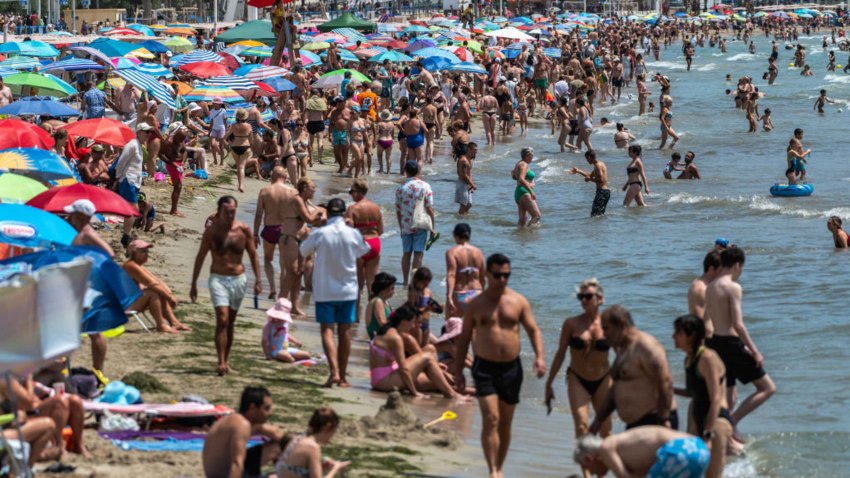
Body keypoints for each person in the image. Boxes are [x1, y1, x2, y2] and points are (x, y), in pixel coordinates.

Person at [453, 253, 546, 478]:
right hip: (484, 367)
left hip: (512, 369)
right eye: (497, 275)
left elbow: (533, 330)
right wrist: (458, 372)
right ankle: (492, 470)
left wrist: (540, 357)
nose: (502, 280)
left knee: (505, 423)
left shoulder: (518, 301)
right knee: (491, 418)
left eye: (506, 275)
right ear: (487, 275)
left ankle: (499, 467)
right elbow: (464, 339)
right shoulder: (477, 304)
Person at [299, 198, 371, 388]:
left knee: (327, 331)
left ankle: (334, 372)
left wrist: (320, 226)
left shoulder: (320, 233)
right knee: (345, 332)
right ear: (345, 214)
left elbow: (303, 250)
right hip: (348, 289)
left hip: (324, 289)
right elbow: (365, 249)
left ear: (328, 213)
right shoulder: (352, 233)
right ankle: (344, 377)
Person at [704, 247, 776, 432]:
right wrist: (755, 351)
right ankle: (732, 421)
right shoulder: (733, 287)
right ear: (737, 265)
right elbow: (737, 324)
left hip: (715, 343)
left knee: (728, 395)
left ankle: (723, 434)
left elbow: (707, 319)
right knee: (767, 388)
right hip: (731, 344)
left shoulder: (710, 286)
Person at [190, 196, 262, 376]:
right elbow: (200, 257)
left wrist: (258, 281)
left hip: (239, 279)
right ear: (219, 211)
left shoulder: (243, 230)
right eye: (227, 212)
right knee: (222, 319)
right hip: (218, 279)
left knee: (230, 322)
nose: (230, 215)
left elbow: (253, 256)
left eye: (233, 211)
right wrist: (194, 284)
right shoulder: (212, 232)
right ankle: (220, 361)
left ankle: (226, 361)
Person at [546, 279, 613, 445]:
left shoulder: (610, 324)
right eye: (580, 297)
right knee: (582, 426)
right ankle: (587, 472)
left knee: (606, 431)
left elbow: (623, 353)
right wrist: (549, 383)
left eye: (588, 296)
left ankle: (602, 467)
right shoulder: (571, 324)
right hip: (578, 378)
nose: (583, 300)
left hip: (604, 379)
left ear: (600, 298)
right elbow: (560, 354)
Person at [589, 305, 676, 433]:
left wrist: (664, 419)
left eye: (606, 328)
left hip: (655, 420)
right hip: (636, 423)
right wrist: (598, 420)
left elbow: (665, 382)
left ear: (621, 325)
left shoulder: (646, 346)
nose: (603, 334)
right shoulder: (622, 348)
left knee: (611, 449)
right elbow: (615, 389)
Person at [672, 315, 736, 478]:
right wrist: (669, 389)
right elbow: (692, 393)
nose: (673, 336)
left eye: (678, 332)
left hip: (717, 422)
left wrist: (707, 434)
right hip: (702, 419)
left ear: (691, 335)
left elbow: (715, 398)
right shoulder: (689, 359)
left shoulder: (707, 358)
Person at [370, 303, 462, 398]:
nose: (413, 326)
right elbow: (404, 369)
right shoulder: (395, 338)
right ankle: (451, 394)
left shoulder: (387, 330)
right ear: (404, 321)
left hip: (381, 377)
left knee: (435, 381)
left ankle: (465, 392)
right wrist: (414, 392)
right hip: (385, 381)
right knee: (428, 357)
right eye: (412, 322)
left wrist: (438, 368)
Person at [65, 199, 112, 375]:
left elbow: (109, 253)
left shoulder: (87, 233)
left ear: (81, 215)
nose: (70, 216)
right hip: (80, 285)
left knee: (95, 331)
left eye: (73, 213)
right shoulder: (80, 233)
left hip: (88, 286)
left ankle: (98, 370)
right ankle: (70, 368)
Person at [202, 386, 282, 478]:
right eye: (266, 408)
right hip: (227, 474)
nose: (270, 413)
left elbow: (279, 436)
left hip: (221, 470)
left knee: (278, 446)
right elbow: (237, 463)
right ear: (252, 407)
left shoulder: (236, 420)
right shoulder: (242, 425)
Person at [573, 426, 709, 478]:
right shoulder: (625, 450)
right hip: (699, 448)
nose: (592, 473)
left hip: (678, 451)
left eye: (587, 468)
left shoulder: (606, 448)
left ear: (589, 458)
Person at [122, 240, 191, 333]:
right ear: (133, 252)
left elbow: (157, 281)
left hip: (129, 303)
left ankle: (174, 322)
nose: (147, 254)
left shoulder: (138, 266)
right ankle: (161, 325)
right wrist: (169, 297)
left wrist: (169, 294)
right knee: (153, 292)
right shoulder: (130, 266)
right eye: (143, 251)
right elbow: (151, 284)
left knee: (159, 290)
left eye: (147, 251)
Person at [253, 167, 297, 299]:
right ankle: (282, 293)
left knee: (268, 260)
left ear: (272, 176)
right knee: (284, 263)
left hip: (270, 229)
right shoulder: (292, 191)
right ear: (285, 176)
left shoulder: (265, 191)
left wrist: (255, 234)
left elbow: (259, 214)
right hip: (287, 229)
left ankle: (272, 287)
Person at [345, 178, 383, 320]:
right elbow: (381, 230)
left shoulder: (352, 209)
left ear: (358, 192)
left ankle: (355, 317)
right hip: (374, 243)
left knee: (357, 284)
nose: (350, 194)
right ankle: (372, 317)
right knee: (372, 285)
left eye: (351, 192)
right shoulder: (376, 208)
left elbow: (347, 231)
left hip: (359, 244)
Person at [276, 408, 350, 478]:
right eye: (333, 431)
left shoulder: (298, 439)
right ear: (326, 428)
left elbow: (294, 470)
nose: (332, 436)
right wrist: (335, 468)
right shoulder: (312, 447)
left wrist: (320, 467)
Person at [395, 160, 435, 287]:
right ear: (418, 170)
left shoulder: (401, 188)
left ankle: (405, 281)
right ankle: (414, 282)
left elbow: (398, 210)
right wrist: (433, 226)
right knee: (418, 253)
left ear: (405, 171)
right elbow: (429, 208)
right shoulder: (425, 186)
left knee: (406, 253)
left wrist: (401, 227)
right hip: (420, 223)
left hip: (406, 224)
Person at [115, 123, 153, 248]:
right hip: (128, 180)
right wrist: (119, 177)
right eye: (146, 132)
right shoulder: (132, 145)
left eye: (149, 132)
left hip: (134, 180)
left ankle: (126, 234)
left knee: (132, 210)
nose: (148, 134)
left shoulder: (139, 146)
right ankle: (126, 236)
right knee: (133, 209)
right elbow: (121, 162)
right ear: (139, 132)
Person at [445, 223, 486, 318]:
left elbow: (451, 275)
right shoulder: (478, 252)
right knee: (475, 328)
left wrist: (449, 296)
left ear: (454, 235)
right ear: (469, 236)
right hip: (476, 293)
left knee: (452, 326)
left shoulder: (452, 252)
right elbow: (483, 276)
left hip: (460, 293)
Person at [261, 298, 310, 363]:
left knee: (307, 355)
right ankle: (291, 359)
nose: (281, 320)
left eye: (282, 318)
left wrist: (296, 341)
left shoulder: (285, 324)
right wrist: (267, 355)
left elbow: (286, 335)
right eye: (278, 317)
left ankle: (292, 358)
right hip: (275, 350)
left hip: (286, 349)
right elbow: (264, 341)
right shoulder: (269, 326)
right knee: (288, 357)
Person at [570, 150, 610, 217]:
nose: (587, 161)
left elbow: (600, 180)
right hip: (606, 192)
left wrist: (590, 179)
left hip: (602, 193)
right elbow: (589, 175)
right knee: (599, 215)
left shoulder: (597, 166)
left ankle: (595, 227)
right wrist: (578, 171)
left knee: (594, 215)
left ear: (589, 157)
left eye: (587, 159)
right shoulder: (600, 164)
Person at [687, 250, 722, 320]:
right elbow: (700, 322)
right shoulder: (701, 289)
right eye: (721, 270)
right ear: (711, 269)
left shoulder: (703, 285)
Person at [512, 147, 541, 227]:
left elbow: (514, 176)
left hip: (519, 192)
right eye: (532, 156)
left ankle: (521, 236)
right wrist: (531, 191)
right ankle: (530, 236)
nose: (532, 158)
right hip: (524, 192)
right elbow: (521, 179)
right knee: (537, 216)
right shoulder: (524, 164)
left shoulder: (519, 163)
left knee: (522, 220)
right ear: (528, 155)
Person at [226, 109, 254, 193]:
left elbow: (225, 137)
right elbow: (251, 139)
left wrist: (227, 145)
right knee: (242, 167)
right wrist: (252, 147)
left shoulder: (233, 125)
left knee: (238, 166)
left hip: (235, 146)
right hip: (245, 146)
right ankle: (241, 185)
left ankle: (239, 185)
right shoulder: (249, 126)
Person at [364, 272, 396, 340]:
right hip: (378, 338)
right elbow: (382, 324)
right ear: (384, 289)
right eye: (392, 288)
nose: (394, 291)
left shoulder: (385, 302)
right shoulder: (378, 302)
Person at [455, 141, 477, 215]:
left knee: (469, 204)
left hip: (468, 184)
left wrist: (471, 184)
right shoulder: (463, 160)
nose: (475, 152)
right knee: (464, 205)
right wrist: (472, 184)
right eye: (474, 150)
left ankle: (463, 218)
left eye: (476, 150)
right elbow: (464, 175)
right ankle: (460, 220)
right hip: (462, 183)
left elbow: (470, 173)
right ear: (468, 149)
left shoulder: (470, 159)